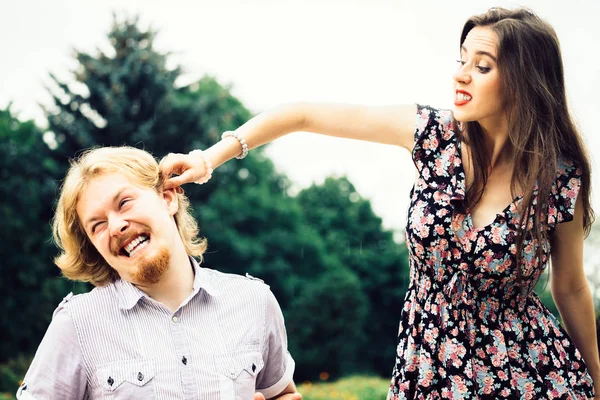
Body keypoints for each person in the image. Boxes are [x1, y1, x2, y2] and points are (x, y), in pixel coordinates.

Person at [159, 7, 600, 399]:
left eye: (481, 67)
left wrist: (597, 382)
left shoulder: (559, 179)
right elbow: (303, 114)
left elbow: (570, 287)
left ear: (524, 81)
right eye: (461, 60)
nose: (460, 75)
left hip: (531, 374)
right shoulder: (432, 135)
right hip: (429, 368)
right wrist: (207, 158)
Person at [17, 146, 301, 400]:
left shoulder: (254, 301)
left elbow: (280, 394)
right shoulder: (77, 325)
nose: (116, 226)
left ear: (167, 198)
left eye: (124, 203)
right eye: (98, 225)